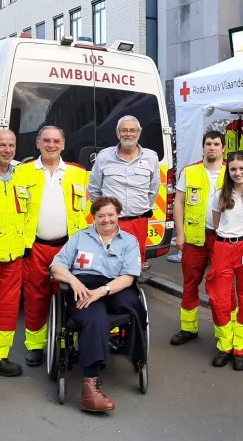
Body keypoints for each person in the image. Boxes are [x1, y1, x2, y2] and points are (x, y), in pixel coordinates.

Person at [50, 196, 146, 412]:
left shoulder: (129, 241)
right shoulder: (80, 237)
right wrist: (74, 281)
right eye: (101, 215)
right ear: (93, 217)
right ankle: (90, 388)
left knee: (134, 306)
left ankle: (135, 351)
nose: (106, 219)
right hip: (84, 284)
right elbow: (56, 266)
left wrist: (101, 292)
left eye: (111, 214)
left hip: (115, 286)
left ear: (118, 215)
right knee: (95, 319)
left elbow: (129, 276)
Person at [17, 126, 88, 368]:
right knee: (35, 296)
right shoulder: (22, 172)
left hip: (68, 247)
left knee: (71, 296)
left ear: (63, 144)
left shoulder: (79, 173)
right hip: (35, 247)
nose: (51, 144)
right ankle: (35, 345)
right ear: (38, 144)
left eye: (56, 141)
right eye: (46, 140)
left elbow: (87, 211)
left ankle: (71, 342)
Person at [169, 130, 236, 346]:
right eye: (208, 144)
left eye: (216, 144)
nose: (212, 147)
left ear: (224, 148)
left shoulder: (232, 172)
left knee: (223, 287)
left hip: (223, 239)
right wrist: (180, 233)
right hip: (194, 238)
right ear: (203, 147)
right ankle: (188, 328)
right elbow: (179, 203)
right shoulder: (190, 172)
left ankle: (229, 332)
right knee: (190, 283)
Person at [205, 151, 243, 371]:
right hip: (223, 248)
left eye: (242, 168)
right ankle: (225, 345)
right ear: (228, 171)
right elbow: (216, 224)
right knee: (219, 299)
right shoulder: (219, 195)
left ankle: (241, 347)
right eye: (233, 169)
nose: (238, 173)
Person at [89, 115, 160, 266]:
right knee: (108, 262)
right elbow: (94, 190)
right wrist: (105, 213)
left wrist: (140, 208)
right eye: (124, 130)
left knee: (135, 262)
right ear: (118, 133)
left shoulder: (151, 158)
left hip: (138, 222)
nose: (128, 134)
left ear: (139, 133)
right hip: (110, 223)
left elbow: (153, 189)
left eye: (132, 130)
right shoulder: (104, 157)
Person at [0, 130, 28, 377]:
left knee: (8, 308)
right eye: (2, 145)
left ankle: (1, 356)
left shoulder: (21, 176)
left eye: (11, 145)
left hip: (13, 256)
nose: (7, 150)